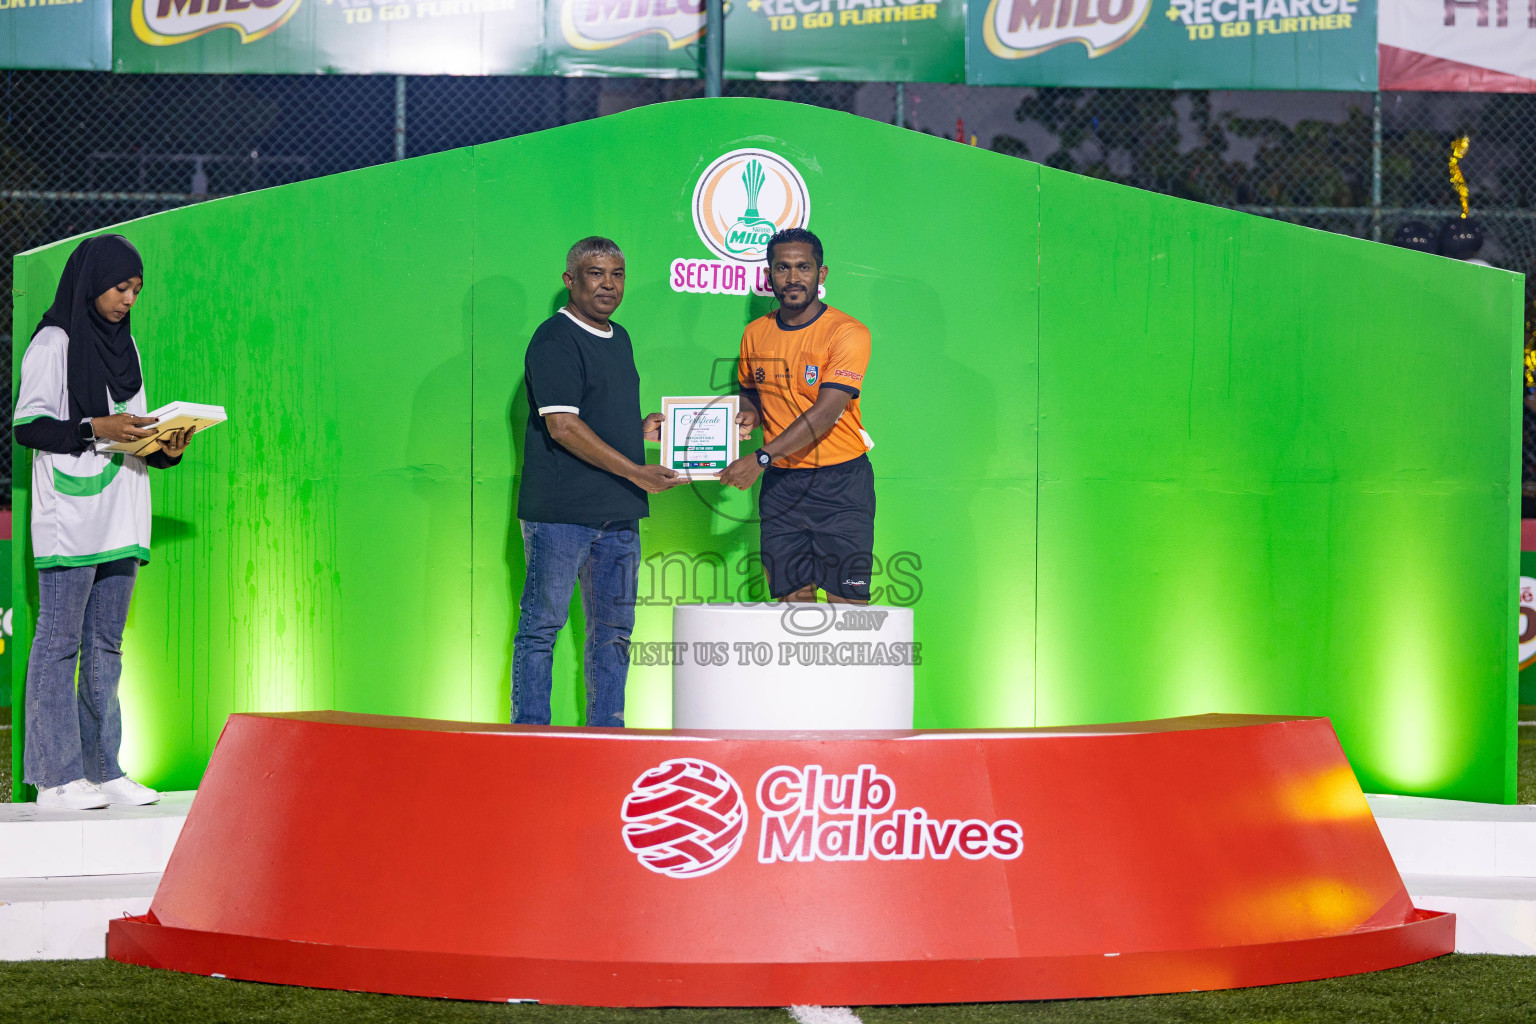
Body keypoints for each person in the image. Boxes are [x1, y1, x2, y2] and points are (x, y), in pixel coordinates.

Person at [13, 234, 197, 810]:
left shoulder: (128, 345)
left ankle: (102, 768)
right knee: (60, 641)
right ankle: (55, 778)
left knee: (106, 644)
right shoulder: (52, 343)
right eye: (121, 287)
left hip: (122, 505)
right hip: (71, 513)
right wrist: (96, 428)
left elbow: (132, 428)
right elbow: (30, 427)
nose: (128, 299)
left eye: (137, 290)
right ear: (93, 283)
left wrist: (166, 444)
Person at [512, 237, 680, 726]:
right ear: (571, 280)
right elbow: (562, 425)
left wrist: (641, 431)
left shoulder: (620, 337)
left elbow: (594, 416)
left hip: (620, 514)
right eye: (595, 273)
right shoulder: (554, 339)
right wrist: (636, 472)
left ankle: (608, 734)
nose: (608, 284)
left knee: (614, 631)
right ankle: (529, 737)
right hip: (562, 516)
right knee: (542, 629)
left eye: (618, 274)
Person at [719, 228, 875, 605]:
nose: (792, 278)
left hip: (840, 484)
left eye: (803, 267)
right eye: (782, 268)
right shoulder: (755, 333)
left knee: (847, 614)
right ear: (769, 275)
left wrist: (760, 457)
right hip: (782, 487)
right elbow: (749, 391)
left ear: (821, 275)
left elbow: (826, 412)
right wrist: (749, 416)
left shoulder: (848, 332)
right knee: (792, 611)